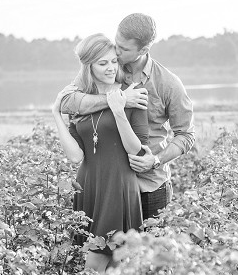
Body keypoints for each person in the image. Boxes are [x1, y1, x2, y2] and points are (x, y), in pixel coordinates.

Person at [59, 13, 195, 220]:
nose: (117, 51)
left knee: (149, 251)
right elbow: (68, 102)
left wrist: (156, 160)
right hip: (108, 186)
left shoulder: (168, 83)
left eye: (124, 49)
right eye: (117, 43)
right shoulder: (104, 66)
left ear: (144, 50)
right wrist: (120, 99)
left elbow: (185, 135)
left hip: (149, 187)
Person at [50, 33, 148, 273]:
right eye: (103, 63)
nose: (110, 68)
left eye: (114, 61)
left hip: (118, 184)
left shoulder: (133, 93)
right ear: (89, 66)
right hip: (90, 185)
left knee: (106, 263)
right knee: (96, 266)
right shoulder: (80, 98)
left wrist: (119, 111)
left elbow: (136, 149)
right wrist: (56, 116)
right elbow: (75, 157)